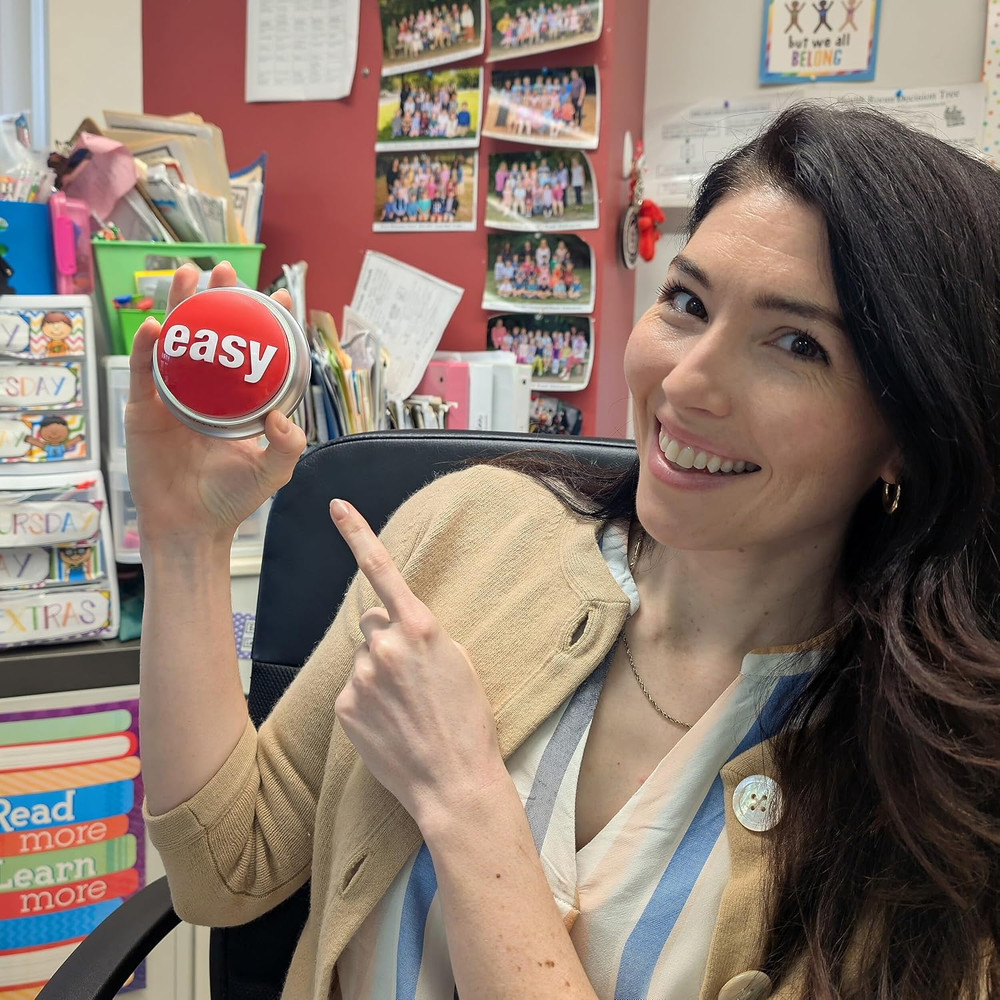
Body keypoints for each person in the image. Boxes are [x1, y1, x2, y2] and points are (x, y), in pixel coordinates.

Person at [129, 103, 999, 1000]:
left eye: (795, 344)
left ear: (909, 426)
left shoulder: (938, 787)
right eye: (688, 302)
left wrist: (465, 800)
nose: (686, 381)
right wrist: (184, 539)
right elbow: (224, 869)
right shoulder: (470, 535)